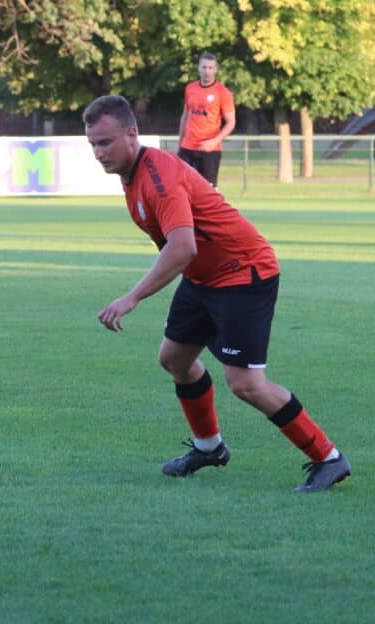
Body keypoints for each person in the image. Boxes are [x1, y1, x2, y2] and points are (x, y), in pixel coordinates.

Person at [83, 94, 350, 494]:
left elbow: (182, 247)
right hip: (203, 278)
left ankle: (328, 457)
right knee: (175, 359)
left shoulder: (158, 177)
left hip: (243, 272)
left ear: (132, 134)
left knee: (245, 383)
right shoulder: (131, 175)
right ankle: (209, 448)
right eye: (93, 144)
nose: (98, 153)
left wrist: (132, 297)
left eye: (105, 142)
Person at [177, 52, 235, 187]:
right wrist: (180, 144)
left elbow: (231, 122)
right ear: (198, 68)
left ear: (216, 69)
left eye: (210, 68)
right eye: (204, 67)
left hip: (209, 150)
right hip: (187, 148)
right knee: (181, 188)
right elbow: (185, 116)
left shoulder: (223, 93)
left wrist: (214, 142)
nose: (207, 71)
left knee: (208, 191)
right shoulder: (190, 88)